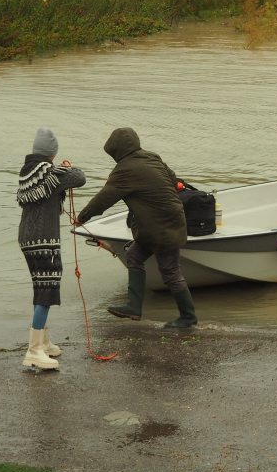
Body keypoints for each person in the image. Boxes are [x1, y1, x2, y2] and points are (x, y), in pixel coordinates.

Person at [76, 127, 197, 328]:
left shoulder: (125, 170)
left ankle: (188, 317)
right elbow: (174, 180)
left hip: (160, 228)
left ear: (116, 150)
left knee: (170, 272)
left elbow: (104, 199)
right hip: (169, 222)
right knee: (134, 255)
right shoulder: (151, 157)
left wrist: (82, 217)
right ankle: (134, 307)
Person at [17, 127, 86, 370]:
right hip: (43, 239)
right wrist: (68, 167)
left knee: (40, 286)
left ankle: (43, 342)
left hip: (26, 237)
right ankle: (34, 351)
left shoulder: (28, 171)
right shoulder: (50, 172)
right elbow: (79, 178)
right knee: (47, 289)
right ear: (52, 153)